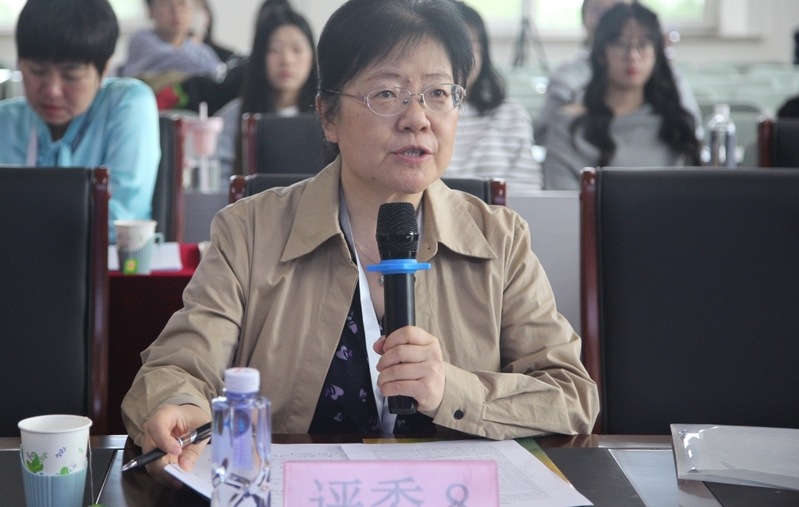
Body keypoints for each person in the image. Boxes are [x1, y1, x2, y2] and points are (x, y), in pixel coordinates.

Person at [122, 0, 598, 486]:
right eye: (387, 94)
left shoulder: (500, 239)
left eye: (438, 93)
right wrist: (178, 404)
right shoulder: (249, 231)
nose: (418, 118)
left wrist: (453, 391)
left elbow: (571, 396)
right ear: (327, 115)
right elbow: (179, 366)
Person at [0, 0, 160, 242]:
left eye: (71, 75)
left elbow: (120, 219)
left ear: (103, 70)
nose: (52, 90)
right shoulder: (6, 122)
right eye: (37, 71)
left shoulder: (128, 105)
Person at [543, 2, 701, 190]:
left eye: (643, 44)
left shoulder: (676, 127)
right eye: (620, 43)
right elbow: (561, 201)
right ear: (601, 53)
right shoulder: (569, 127)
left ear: (656, 54)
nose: (632, 55)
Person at [214, 1, 318, 180]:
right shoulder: (232, 119)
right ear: (259, 57)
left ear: (313, 57)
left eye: (297, 49)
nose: (287, 60)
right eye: (275, 50)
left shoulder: (328, 117)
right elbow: (220, 184)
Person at [445, 2, 541, 192]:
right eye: (449, 47)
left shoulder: (510, 114)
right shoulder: (417, 114)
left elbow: (528, 193)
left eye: (471, 47)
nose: (461, 58)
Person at [121, 0, 223, 79]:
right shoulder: (140, 40)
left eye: (182, 3)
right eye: (167, 3)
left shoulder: (204, 52)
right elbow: (167, 60)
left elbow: (221, 76)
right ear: (151, 10)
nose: (176, 10)